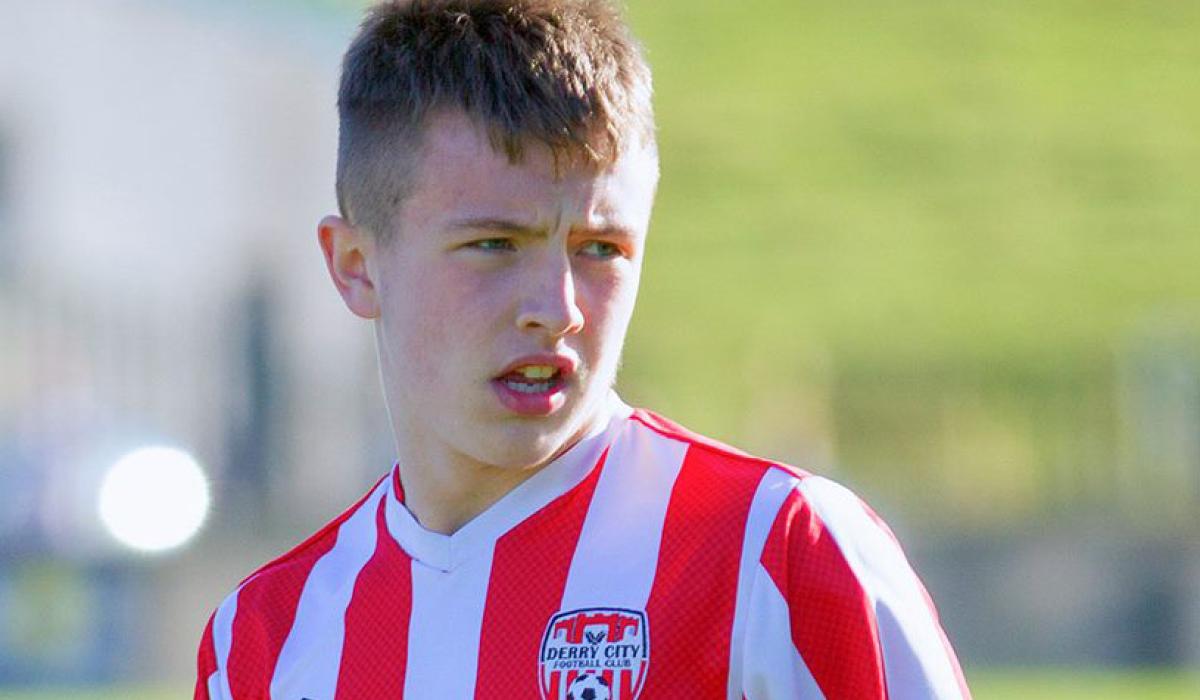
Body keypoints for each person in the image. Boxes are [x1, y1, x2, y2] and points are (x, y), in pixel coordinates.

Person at [195, 0, 972, 698]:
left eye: (601, 248)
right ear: (357, 266)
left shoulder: (778, 554)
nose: (557, 309)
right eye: (495, 244)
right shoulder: (263, 643)